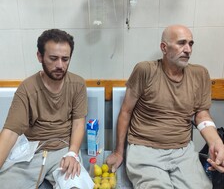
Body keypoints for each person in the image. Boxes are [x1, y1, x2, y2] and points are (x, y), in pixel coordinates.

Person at [106, 25, 224, 188]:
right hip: (145, 148)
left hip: (182, 151)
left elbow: (202, 116)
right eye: (181, 43)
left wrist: (216, 142)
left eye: (191, 44)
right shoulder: (145, 70)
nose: (188, 49)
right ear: (164, 47)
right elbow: (126, 111)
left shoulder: (200, 74)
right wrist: (119, 152)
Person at [0, 29, 88, 188]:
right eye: (53, 58)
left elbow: (78, 124)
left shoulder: (78, 85)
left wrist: (72, 153)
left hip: (64, 148)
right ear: (40, 56)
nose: (60, 65)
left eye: (65, 59)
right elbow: (10, 132)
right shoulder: (27, 88)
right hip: (33, 151)